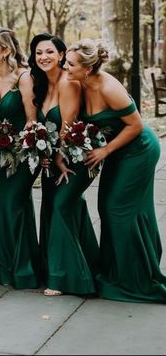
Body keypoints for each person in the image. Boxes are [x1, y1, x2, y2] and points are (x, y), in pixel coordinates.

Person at [66, 39, 166, 303]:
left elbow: (135, 125)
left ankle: (133, 278)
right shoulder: (80, 84)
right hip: (117, 150)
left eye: (70, 64)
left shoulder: (109, 87)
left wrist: (104, 151)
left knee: (117, 210)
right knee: (108, 207)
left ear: (87, 68)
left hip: (139, 150)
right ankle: (121, 270)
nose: (65, 67)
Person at [28, 32, 99, 297]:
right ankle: (85, 265)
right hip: (53, 158)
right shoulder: (40, 84)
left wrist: (56, 155)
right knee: (57, 207)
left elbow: (68, 126)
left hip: (73, 157)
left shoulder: (69, 83)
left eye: (49, 52)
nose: (43, 57)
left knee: (61, 206)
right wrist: (41, 150)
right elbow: (40, 127)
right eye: (38, 53)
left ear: (61, 55)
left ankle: (62, 278)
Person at [0, 27, 40, 288]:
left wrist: (23, 149)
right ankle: (1, 266)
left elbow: (31, 120)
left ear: (6, 50)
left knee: (14, 206)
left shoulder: (23, 78)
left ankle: (21, 268)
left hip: (20, 154)